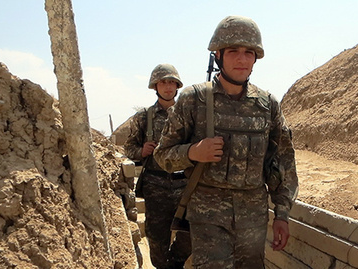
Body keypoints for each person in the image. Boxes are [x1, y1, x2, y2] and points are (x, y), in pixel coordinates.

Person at [154, 16, 298, 268]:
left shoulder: (268, 105)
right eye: (233, 51)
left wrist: (282, 214)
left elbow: (282, 163)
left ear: (256, 58)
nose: (242, 59)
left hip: (252, 218)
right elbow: (162, 155)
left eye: (248, 52)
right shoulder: (193, 100)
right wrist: (193, 152)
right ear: (218, 55)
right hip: (208, 217)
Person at [124, 63, 191, 269]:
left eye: (172, 82)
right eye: (163, 82)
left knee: (192, 232)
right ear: (155, 86)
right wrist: (141, 151)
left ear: (178, 86)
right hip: (156, 185)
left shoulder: (188, 114)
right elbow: (129, 148)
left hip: (184, 185)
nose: (168, 87)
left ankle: (176, 263)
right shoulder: (144, 117)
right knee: (156, 239)